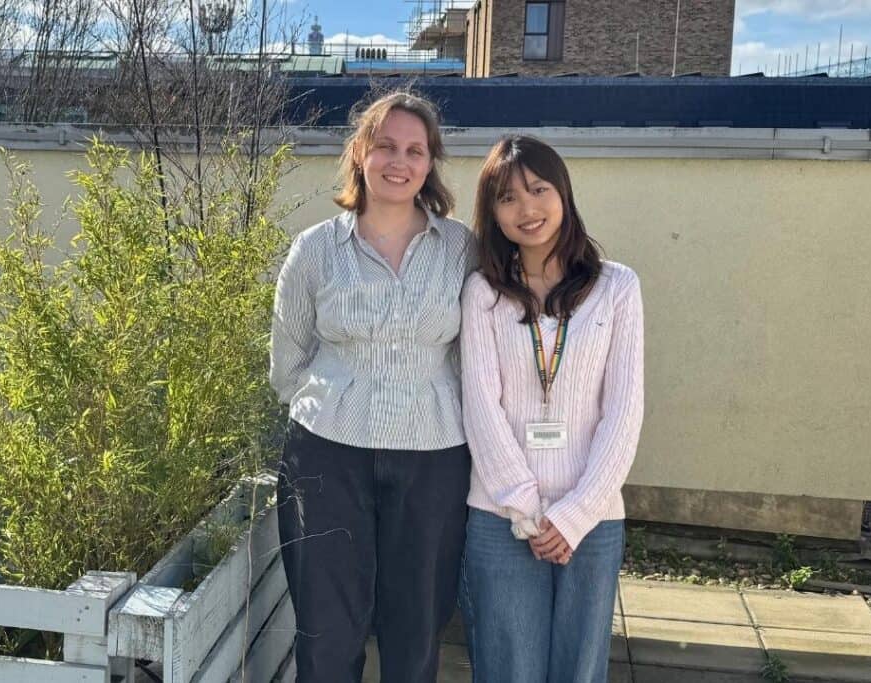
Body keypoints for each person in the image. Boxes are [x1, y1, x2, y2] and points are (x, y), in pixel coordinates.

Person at [269, 91, 475, 683]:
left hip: (434, 461)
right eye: (385, 145)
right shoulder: (314, 250)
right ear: (360, 152)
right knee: (328, 634)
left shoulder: (462, 249)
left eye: (415, 150)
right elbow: (288, 361)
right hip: (327, 456)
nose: (398, 161)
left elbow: (476, 355)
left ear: (430, 163)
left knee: (416, 634)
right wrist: (335, 406)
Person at [458, 135, 644, 683]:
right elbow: (481, 408)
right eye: (508, 198)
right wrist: (525, 509)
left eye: (538, 190)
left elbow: (624, 409)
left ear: (563, 192)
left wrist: (575, 515)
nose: (527, 209)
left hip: (594, 517)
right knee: (507, 668)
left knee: (579, 670)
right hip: (499, 516)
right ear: (493, 213)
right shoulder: (483, 293)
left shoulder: (617, 288)